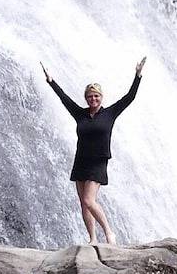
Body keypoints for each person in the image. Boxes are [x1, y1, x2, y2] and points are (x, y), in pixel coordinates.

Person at [41, 57, 146, 246]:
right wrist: (51, 81)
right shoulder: (79, 113)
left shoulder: (110, 113)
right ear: (86, 98)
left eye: (96, 96)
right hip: (81, 161)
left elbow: (129, 98)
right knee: (83, 203)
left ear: (101, 97)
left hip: (98, 161)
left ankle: (109, 232)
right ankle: (92, 238)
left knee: (89, 200)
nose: (93, 99)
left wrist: (137, 76)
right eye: (90, 96)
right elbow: (64, 98)